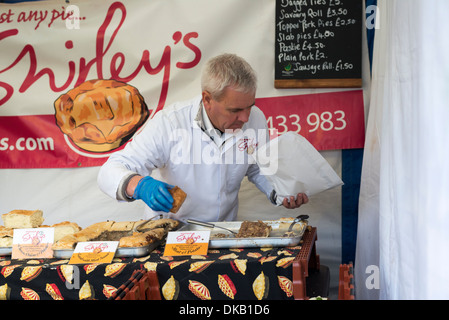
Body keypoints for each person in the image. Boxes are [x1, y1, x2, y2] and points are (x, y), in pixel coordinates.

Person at [97, 53, 308, 221]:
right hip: (172, 234)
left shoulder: (256, 118)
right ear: (207, 99)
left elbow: (258, 167)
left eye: (249, 107)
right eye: (234, 110)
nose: (245, 118)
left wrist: (280, 192)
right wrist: (139, 185)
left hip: (222, 235)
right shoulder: (170, 123)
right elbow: (110, 170)